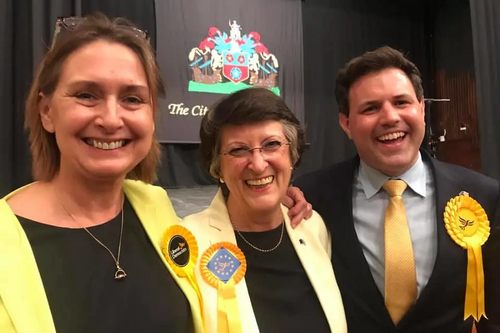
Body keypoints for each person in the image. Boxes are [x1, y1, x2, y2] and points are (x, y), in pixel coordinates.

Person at [0, 13, 311, 333]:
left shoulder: (155, 207)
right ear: (47, 111)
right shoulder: (6, 240)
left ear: (152, 116)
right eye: (86, 95)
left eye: (132, 99)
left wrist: (273, 197)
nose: (110, 119)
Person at [294, 46, 500, 333]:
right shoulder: (309, 198)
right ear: (346, 123)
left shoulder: (485, 197)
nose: (390, 117)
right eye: (371, 108)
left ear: (422, 109)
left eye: (401, 102)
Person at [180, 87, 347, 333]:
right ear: (217, 168)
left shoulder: (314, 227)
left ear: (292, 154)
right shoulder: (188, 243)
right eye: (238, 150)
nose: (258, 165)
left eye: (271, 145)